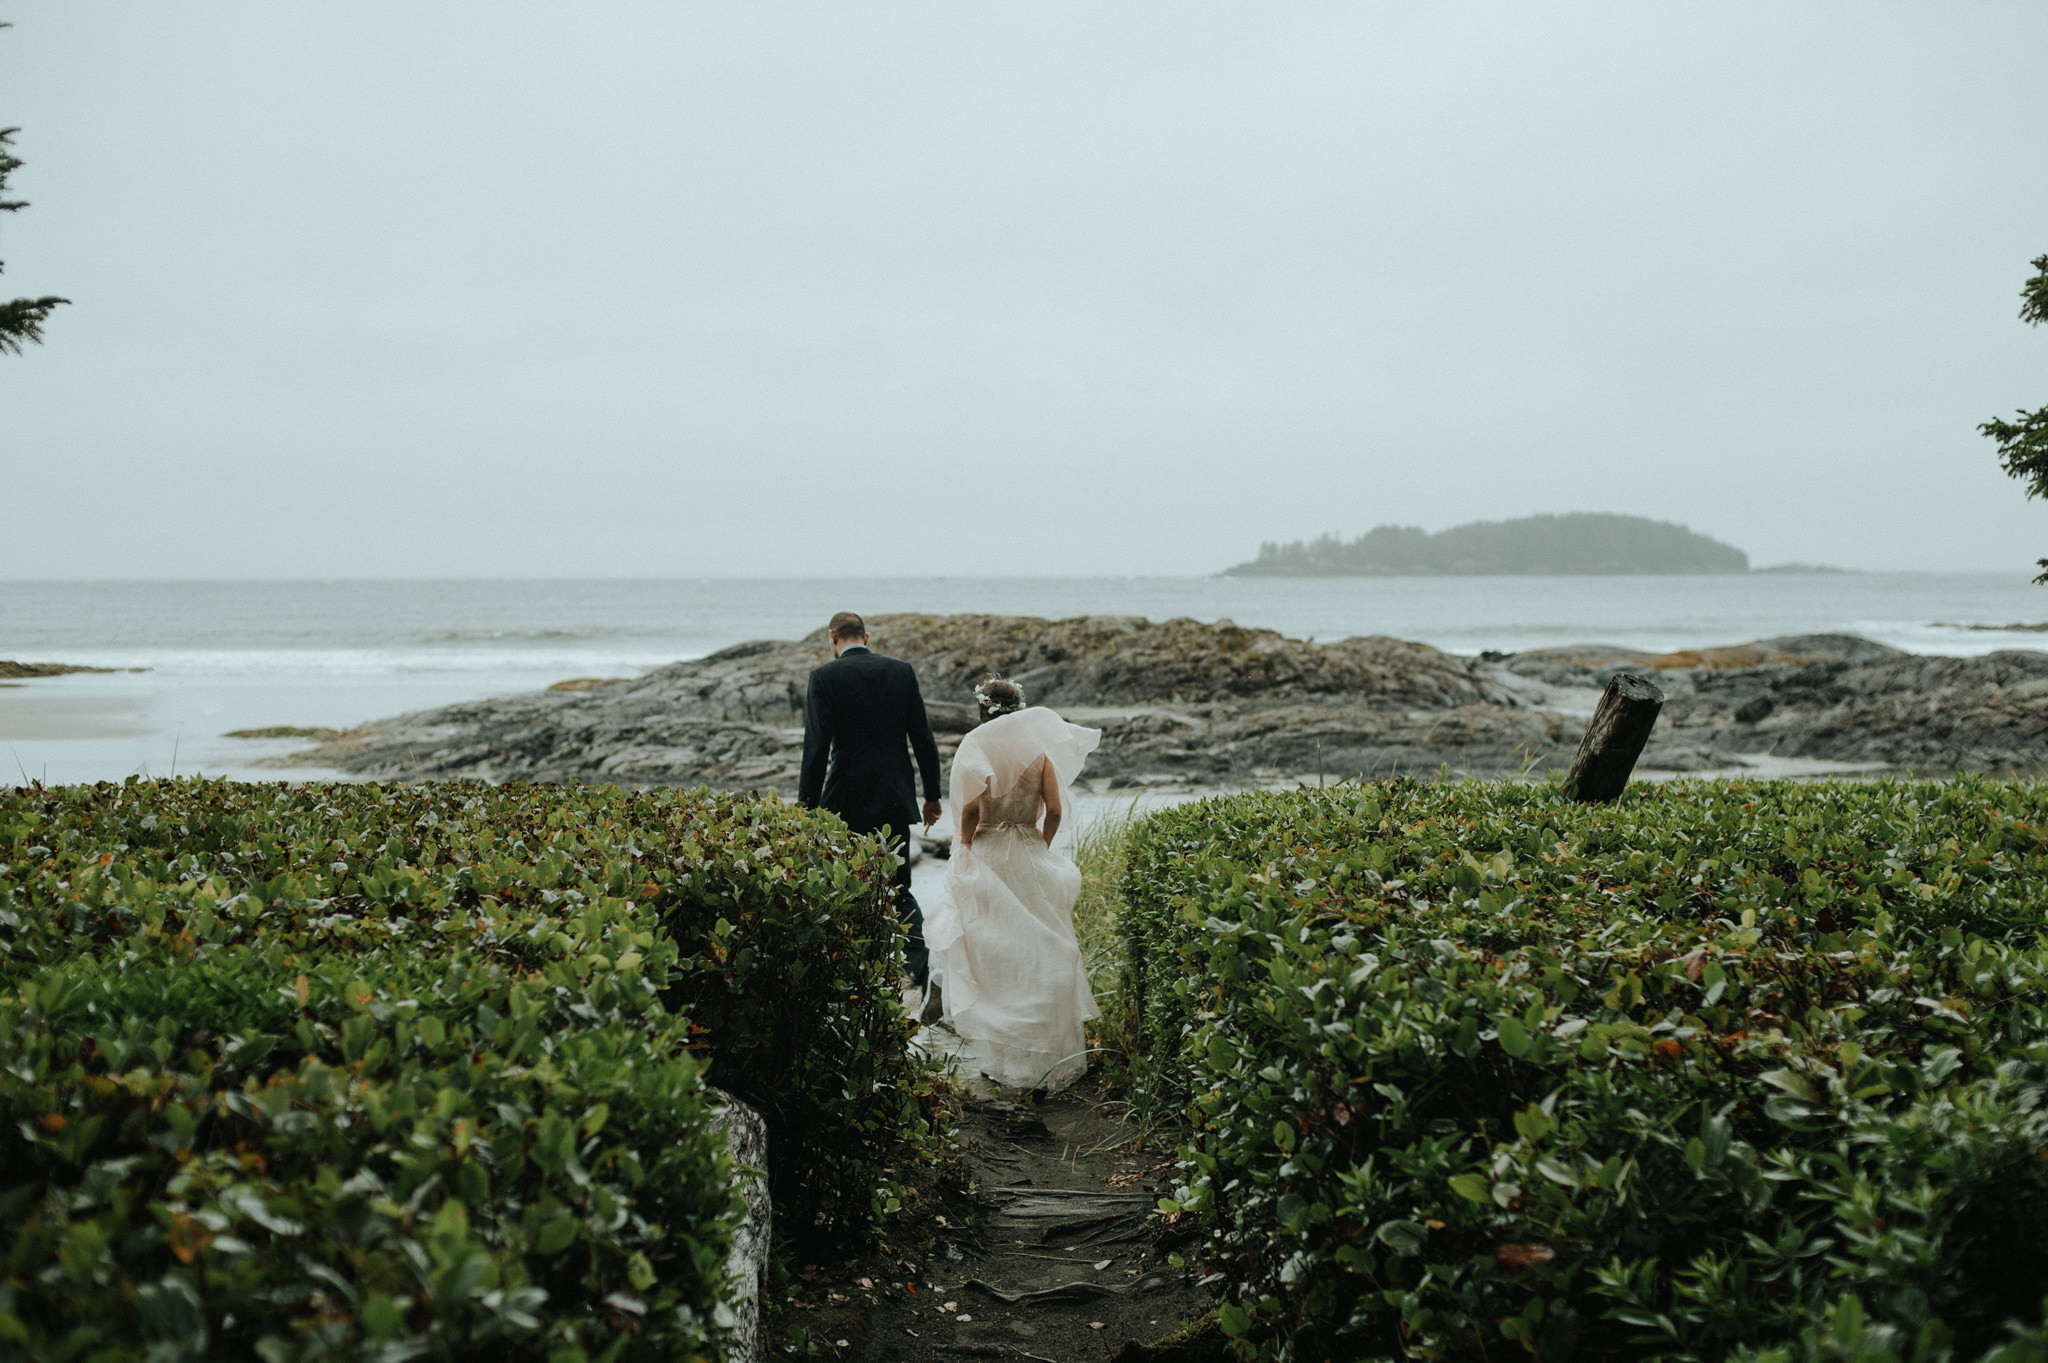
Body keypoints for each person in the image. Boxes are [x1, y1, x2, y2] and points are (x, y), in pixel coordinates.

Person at [924, 678, 1102, 1093]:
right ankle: (1045, 1060)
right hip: (1027, 848)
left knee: (996, 959)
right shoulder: (1038, 753)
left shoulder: (978, 745)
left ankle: (1001, 1060)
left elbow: (970, 810)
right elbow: (1054, 810)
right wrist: (1041, 843)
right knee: (1040, 954)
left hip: (988, 851)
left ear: (983, 711)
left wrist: (966, 846)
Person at [797, 611, 944, 988]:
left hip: (843, 800)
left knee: (842, 884)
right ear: (866, 636)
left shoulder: (823, 678)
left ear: (832, 637)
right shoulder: (901, 671)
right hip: (894, 795)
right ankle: (918, 969)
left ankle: (856, 969)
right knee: (897, 885)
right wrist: (931, 796)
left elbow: (816, 750)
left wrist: (805, 810)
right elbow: (923, 739)